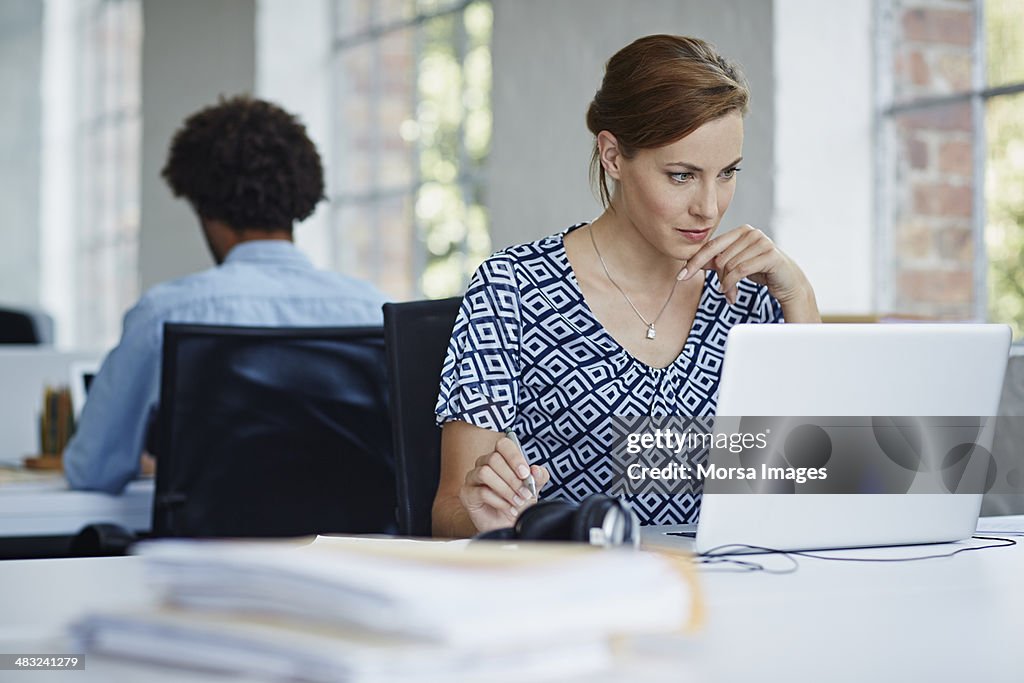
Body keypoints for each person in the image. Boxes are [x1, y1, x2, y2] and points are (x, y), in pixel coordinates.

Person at [432, 35, 821, 537]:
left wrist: (801, 301)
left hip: (733, 592)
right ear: (613, 156)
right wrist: (486, 521)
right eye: (681, 176)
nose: (709, 206)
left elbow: (817, 490)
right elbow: (448, 512)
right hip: (574, 597)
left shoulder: (752, 296)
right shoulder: (514, 290)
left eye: (727, 173)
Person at [64, 96, 387, 494]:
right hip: (348, 553)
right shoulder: (375, 311)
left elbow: (92, 470)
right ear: (301, 199)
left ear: (206, 211)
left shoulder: (165, 313)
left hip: (207, 554)